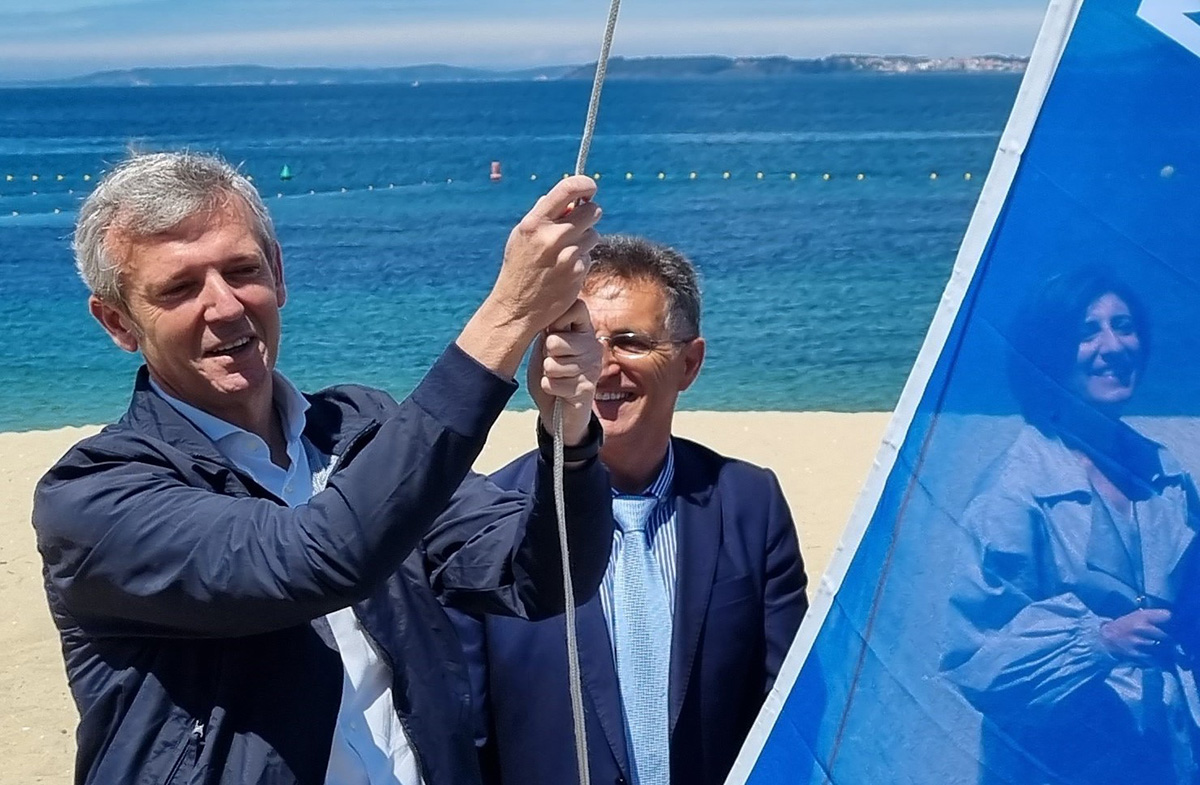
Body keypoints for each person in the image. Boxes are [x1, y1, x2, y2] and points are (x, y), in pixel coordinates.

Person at [33, 150, 616, 785]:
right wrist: (507, 316)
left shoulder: (359, 428)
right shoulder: (93, 495)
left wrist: (570, 436)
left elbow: (540, 577)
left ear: (279, 273)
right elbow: (317, 559)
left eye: (242, 270)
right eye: (179, 288)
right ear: (118, 322)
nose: (224, 306)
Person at [454, 235, 809, 785]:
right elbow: (465, 736)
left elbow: (789, 709)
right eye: (579, 339)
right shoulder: (491, 518)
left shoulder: (749, 504)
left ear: (689, 363)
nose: (601, 367)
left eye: (629, 342)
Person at [942, 267, 1200, 784]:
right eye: (1087, 332)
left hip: (1168, 749)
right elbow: (977, 660)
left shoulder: (1165, 473)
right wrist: (1100, 641)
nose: (1113, 347)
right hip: (1061, 761)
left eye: (1124, 327)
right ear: (1048, 353)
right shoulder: (1013, 491)